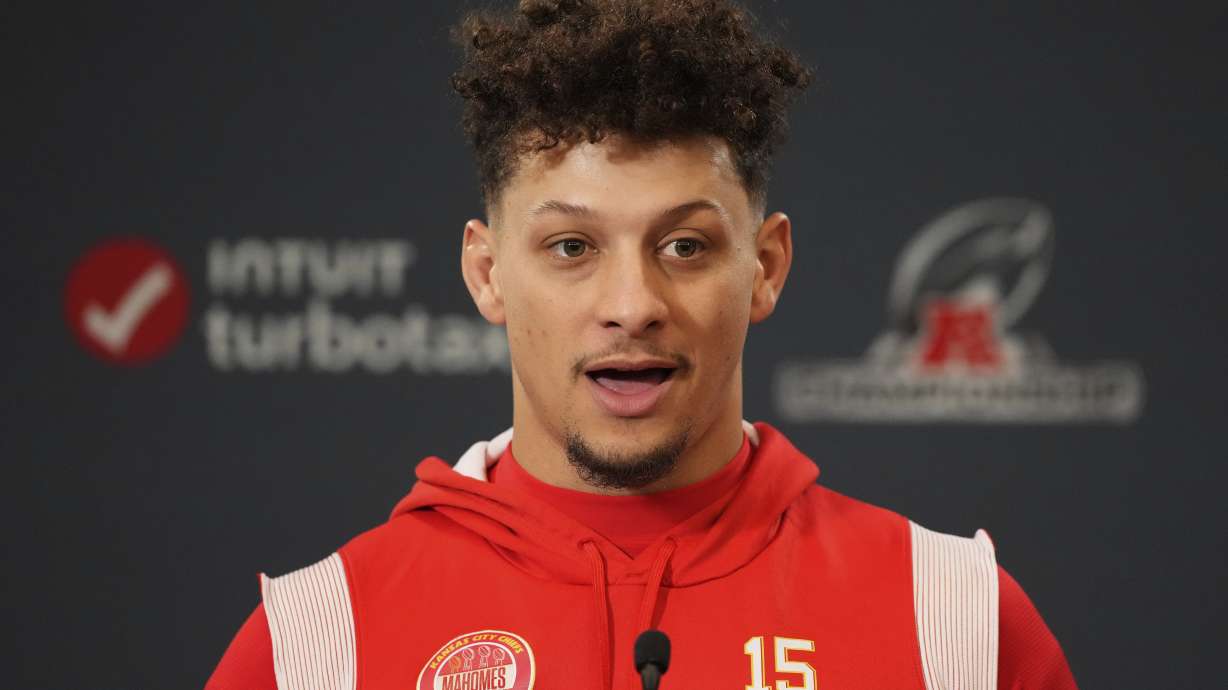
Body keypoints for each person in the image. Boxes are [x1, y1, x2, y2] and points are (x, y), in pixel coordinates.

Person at [207, 1, 1078, 688]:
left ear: (766, 267)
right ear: (486, 273)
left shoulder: (954, 619)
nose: (633, 304)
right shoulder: (319, 644)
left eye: (685, 246)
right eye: (572, 248)